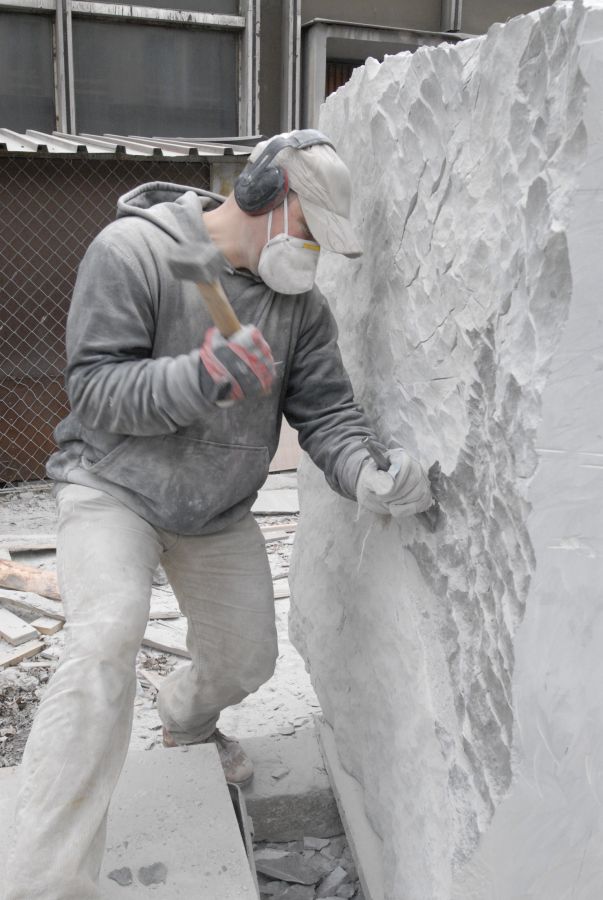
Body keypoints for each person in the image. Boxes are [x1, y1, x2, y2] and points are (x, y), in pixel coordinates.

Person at [4, 130, 432, 899]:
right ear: (269, 195)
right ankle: (46, 883)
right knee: (103, 644)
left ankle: (188, 718)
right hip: (113, 489)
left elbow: (326, 412)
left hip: (215, 510)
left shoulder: (296, 309)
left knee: (246, 663)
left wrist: (367, 476)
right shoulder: (132, 250)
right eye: (307, 231)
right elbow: (96, 392)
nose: (311, 253)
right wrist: (197, 377)